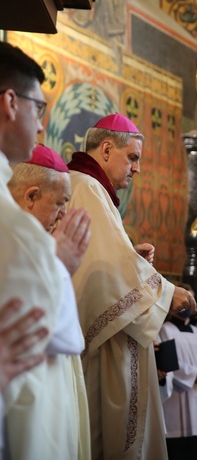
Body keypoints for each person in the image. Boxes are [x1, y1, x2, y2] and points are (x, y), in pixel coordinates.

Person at [66, 112, 197, 459]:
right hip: (102, 350)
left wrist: (130, 255)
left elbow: (98, 259)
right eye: (133, 157)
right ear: (107, 149)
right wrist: (167, 293)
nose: (137, 169)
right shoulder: (88, 186)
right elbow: (105, 274)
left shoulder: (86, 186)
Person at [0, 41, 88, 459]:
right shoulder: (15, 228)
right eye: (39, 108)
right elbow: (59, 334)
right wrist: (58, 264)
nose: (40, 128)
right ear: (10, 103)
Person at [8, 143, 92, 459]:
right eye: (59, 204)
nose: (63, 216)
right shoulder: (16, 241)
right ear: (30, 197)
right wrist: (57, 265)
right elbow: (58, 335)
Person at [158, 283, 197, 460]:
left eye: (190, 301)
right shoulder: (164, 329)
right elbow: (167, 363)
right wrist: (193, 374)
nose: (185, 306)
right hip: (174, 398)